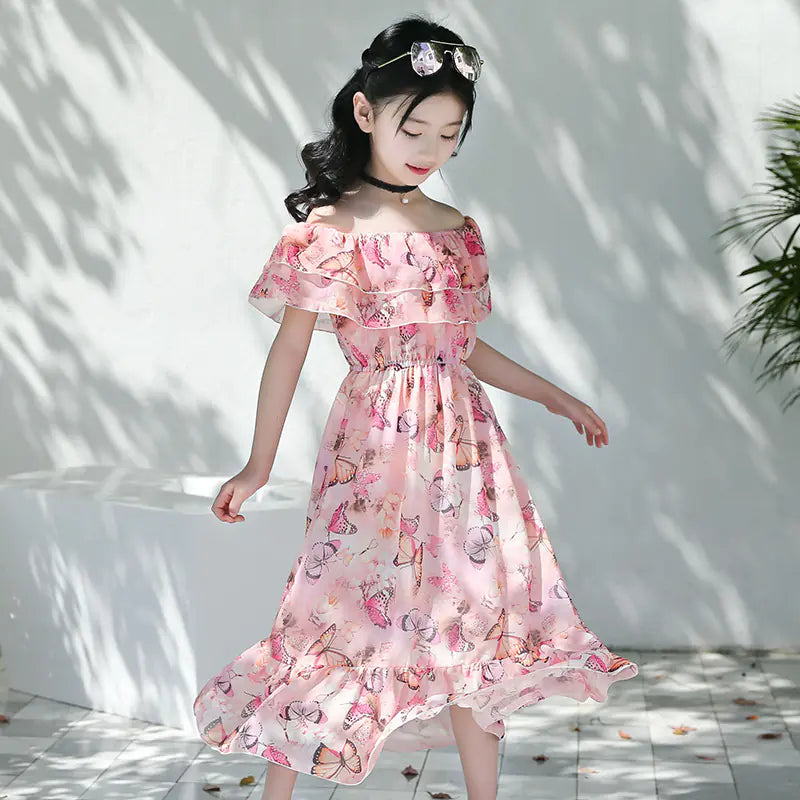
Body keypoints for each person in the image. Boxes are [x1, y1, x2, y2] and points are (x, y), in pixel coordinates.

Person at [192, 13, 639, 800]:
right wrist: (258, 465)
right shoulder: (329, 232)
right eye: (415, 128)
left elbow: (461, 349)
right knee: (332, 618)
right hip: (374, 453)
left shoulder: (457, 231)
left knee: (474, 620)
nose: (430, 149)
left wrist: (555, 396)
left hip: (467, 456)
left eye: (449, 134)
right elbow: (289, 353)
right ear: (365, 112)